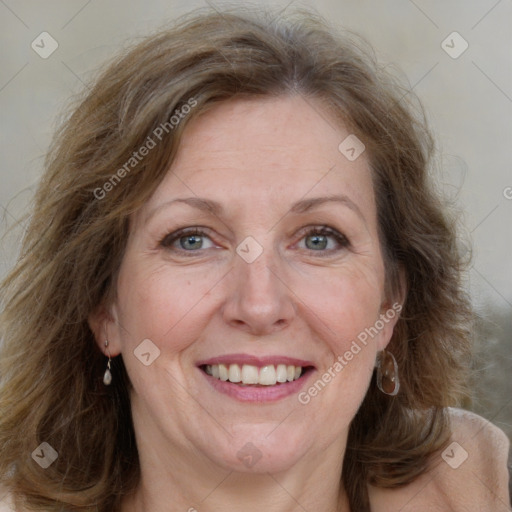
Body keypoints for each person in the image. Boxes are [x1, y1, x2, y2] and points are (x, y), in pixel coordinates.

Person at [0, 7, 509, 512]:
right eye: (192, 240)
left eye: (318, 239)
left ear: (389, 305)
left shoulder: (479, 483)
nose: (260, 305)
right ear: (103, 305)